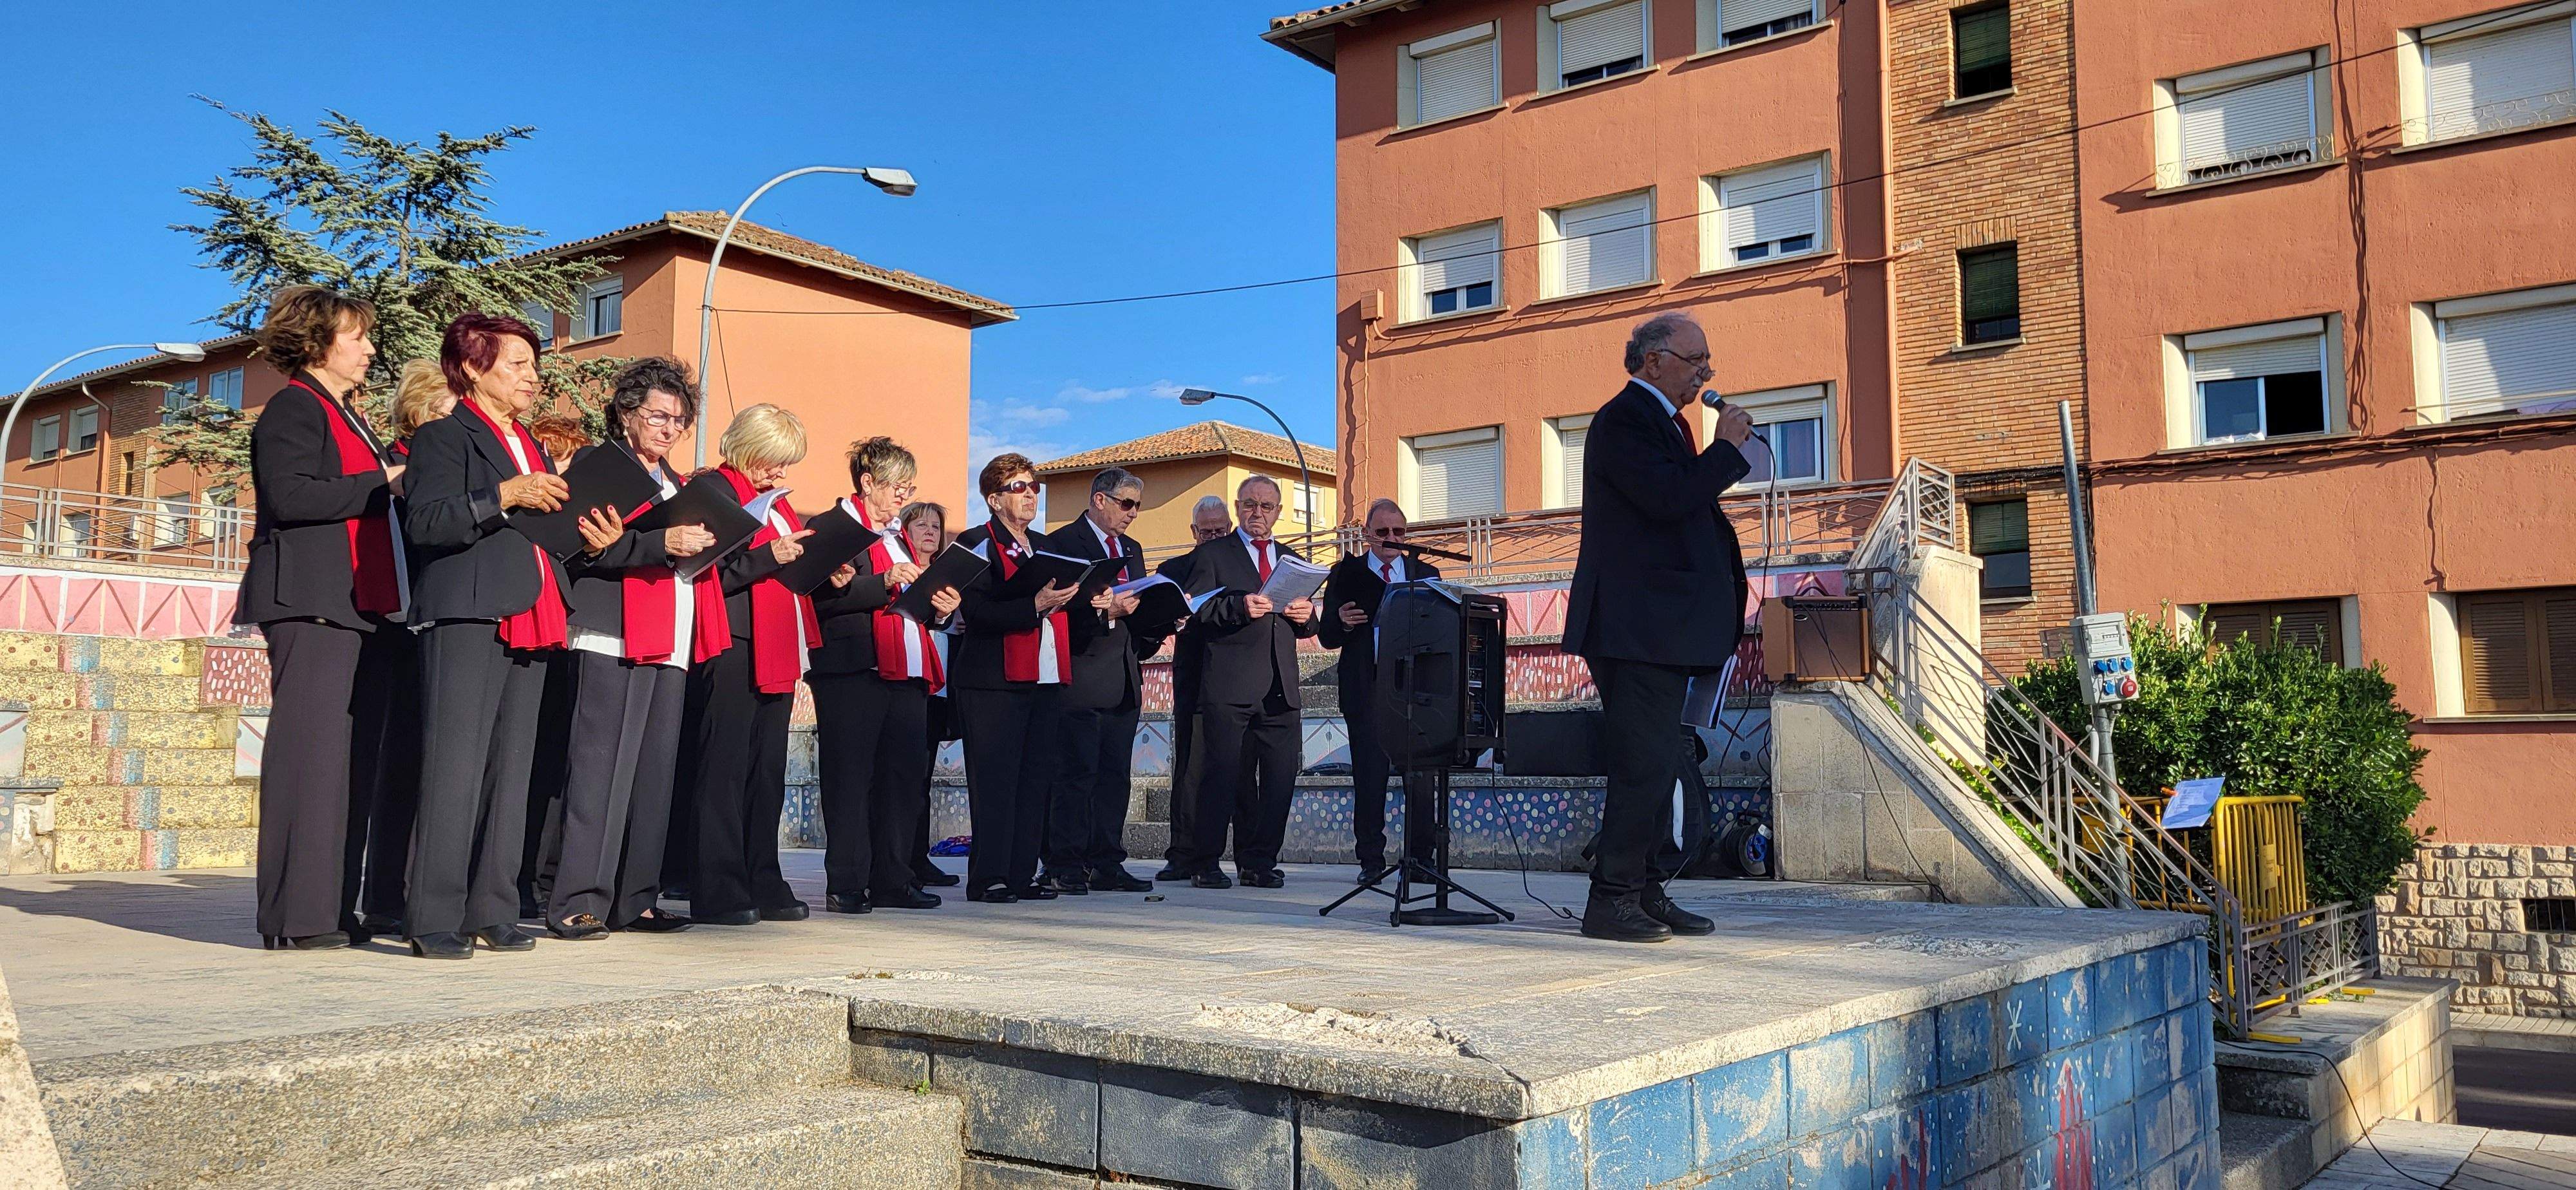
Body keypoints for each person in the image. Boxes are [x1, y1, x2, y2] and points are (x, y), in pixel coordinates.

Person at [403, 312, 608, 960]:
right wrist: (505, 494)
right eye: (517, 364)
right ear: (472, 368)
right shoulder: (443, 436)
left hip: (534, 612)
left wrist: (591, 539)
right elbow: (427, 522)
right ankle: (432, 916)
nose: (532, 377)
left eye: (534, 365)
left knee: (512, 773)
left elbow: (544, 531)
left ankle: (492, 909)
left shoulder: (532, 443)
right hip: (468, 613)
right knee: (455, 771)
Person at [1562, 310, 1755, 944]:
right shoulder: (1624, 420)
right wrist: (1725, 450)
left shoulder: (1664, 424)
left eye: (1707, 361)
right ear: (1653, 360)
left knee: (1658, 764)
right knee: (1641, 767)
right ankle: (1611, 899)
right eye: (1695, 360)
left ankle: (1643, 891)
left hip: (1658, 630)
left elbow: (1679, 505)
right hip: (1634, 629)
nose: (1707, 372)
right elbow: (1668, 498)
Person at [234, 286, 402, 951]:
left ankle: (333, 908)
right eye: (356, 337)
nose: (370, 349)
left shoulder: (348, 414)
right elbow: (292, 496)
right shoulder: (294, 407)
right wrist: (385, 482)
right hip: (309, 605)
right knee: (310, 762)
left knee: (346, 766)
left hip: (356, 607)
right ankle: (296, 918)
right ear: (316, 342)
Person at [544, 358, 721, 939]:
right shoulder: (599, 466)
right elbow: (583, 548)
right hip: (611, 630)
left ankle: (636, 899)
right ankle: (577, 900)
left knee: (652, 775)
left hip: (669, 632)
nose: (670, 428)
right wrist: (660, 542)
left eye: (679, 420)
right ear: (626, 412)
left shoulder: (677, 482)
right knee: (598, 773)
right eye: (659, 416)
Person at [674, 404, 819, 927]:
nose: (780, 471)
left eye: (786, 462)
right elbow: (705, 571)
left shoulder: (778, 504)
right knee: (725, 768)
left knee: (767, 771)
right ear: (747, 447)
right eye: (773, 459)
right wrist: (769, 557)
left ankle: (764, 877)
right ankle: (717, 885)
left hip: (777, 641)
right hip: (731, 640)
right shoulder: (714, 489)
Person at [808, 439, 963, 914]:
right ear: (867, 482)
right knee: (851, 779)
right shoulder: (833, 527)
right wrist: (883, 582)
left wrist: (941, 608)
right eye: (897, 485)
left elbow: (909, 603)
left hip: (906, 669)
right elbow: (820, 598)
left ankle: (894, 878)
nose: (903, 494)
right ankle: (848, 881)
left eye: (909, 487)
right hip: (853, 668)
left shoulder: (896, 536)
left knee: (902, 780)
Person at [353, 359, 455, 939]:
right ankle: (385, 895)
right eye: (449, 408)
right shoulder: (397, 462)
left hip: (438, 619)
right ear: (422, 409)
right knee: (399, 764)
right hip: (398, 622)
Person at [1176, 476, 1319, 889]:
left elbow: (1310, 625)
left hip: (1280, 687)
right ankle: (1206, 862)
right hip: (1230, 683)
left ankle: (1259, 861)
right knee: (1220, 776)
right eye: (1251, 505)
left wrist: (1306, 616)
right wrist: (1239, 607)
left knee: (1279, 780)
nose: (1258, 513)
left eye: (1267, 506)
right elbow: (1198, 612)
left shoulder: (1292, 560)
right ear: (1238, 508)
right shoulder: (1214, 554)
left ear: (1278, 512)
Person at [950, 453, 1081, 903]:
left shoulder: (1044, 546)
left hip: (1045, 675)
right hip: (992, 680)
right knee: (995, 782)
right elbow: (977, 612)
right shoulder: (975, 542)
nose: (1030, 495)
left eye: (1033, 487)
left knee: (1035, 781)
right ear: (994, 499)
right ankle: (988, 877)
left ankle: (1022, 875)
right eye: (1018, 487)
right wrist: (1034, 605)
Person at [1036, 468, 1154, 895]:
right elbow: (1053, 612)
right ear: (1100, 500)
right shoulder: (1062, 544)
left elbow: (1137, 607)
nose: (1133, 513)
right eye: (1127, 503)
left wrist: (1160, 615)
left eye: (1138, 506)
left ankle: (1107, 862)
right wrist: (1104, 612)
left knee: (1114, 777)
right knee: (1074, 773)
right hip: (1079, 673)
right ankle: (1064, 862)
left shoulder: (1132, 549)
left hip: (1123, 675)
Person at [1318, 498, 1441, 884]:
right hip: (1366, 689)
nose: (1392, 538)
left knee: (1420, 779)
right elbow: (1326, 636)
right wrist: (1341, 621)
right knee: (1369, 779)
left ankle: (1421, 859)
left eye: (1399, 532)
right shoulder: (1346, 573)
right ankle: (1370, 860)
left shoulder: (1425, 572)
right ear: (1367, 534)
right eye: (1383, 531)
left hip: (1415, 691)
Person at [1153, 496, 1233, 882]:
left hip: (1236, 675)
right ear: (1193, 532)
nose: (1214, 538)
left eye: (1221, 531)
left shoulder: (1241, 564)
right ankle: (1182, 852)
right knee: (1189, 765)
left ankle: (1240, 855)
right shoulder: (1173, 570)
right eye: (1207, 532)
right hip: (1195, 673)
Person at [900, 502, 963, 889]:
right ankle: (898, 859)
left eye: (936, 527)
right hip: (904, 680)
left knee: (923, 776)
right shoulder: (901, 571)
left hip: (937, 686)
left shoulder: (948, 577)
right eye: (921, 525)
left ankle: (917, 858)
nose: (929, 532)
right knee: (902, 777)